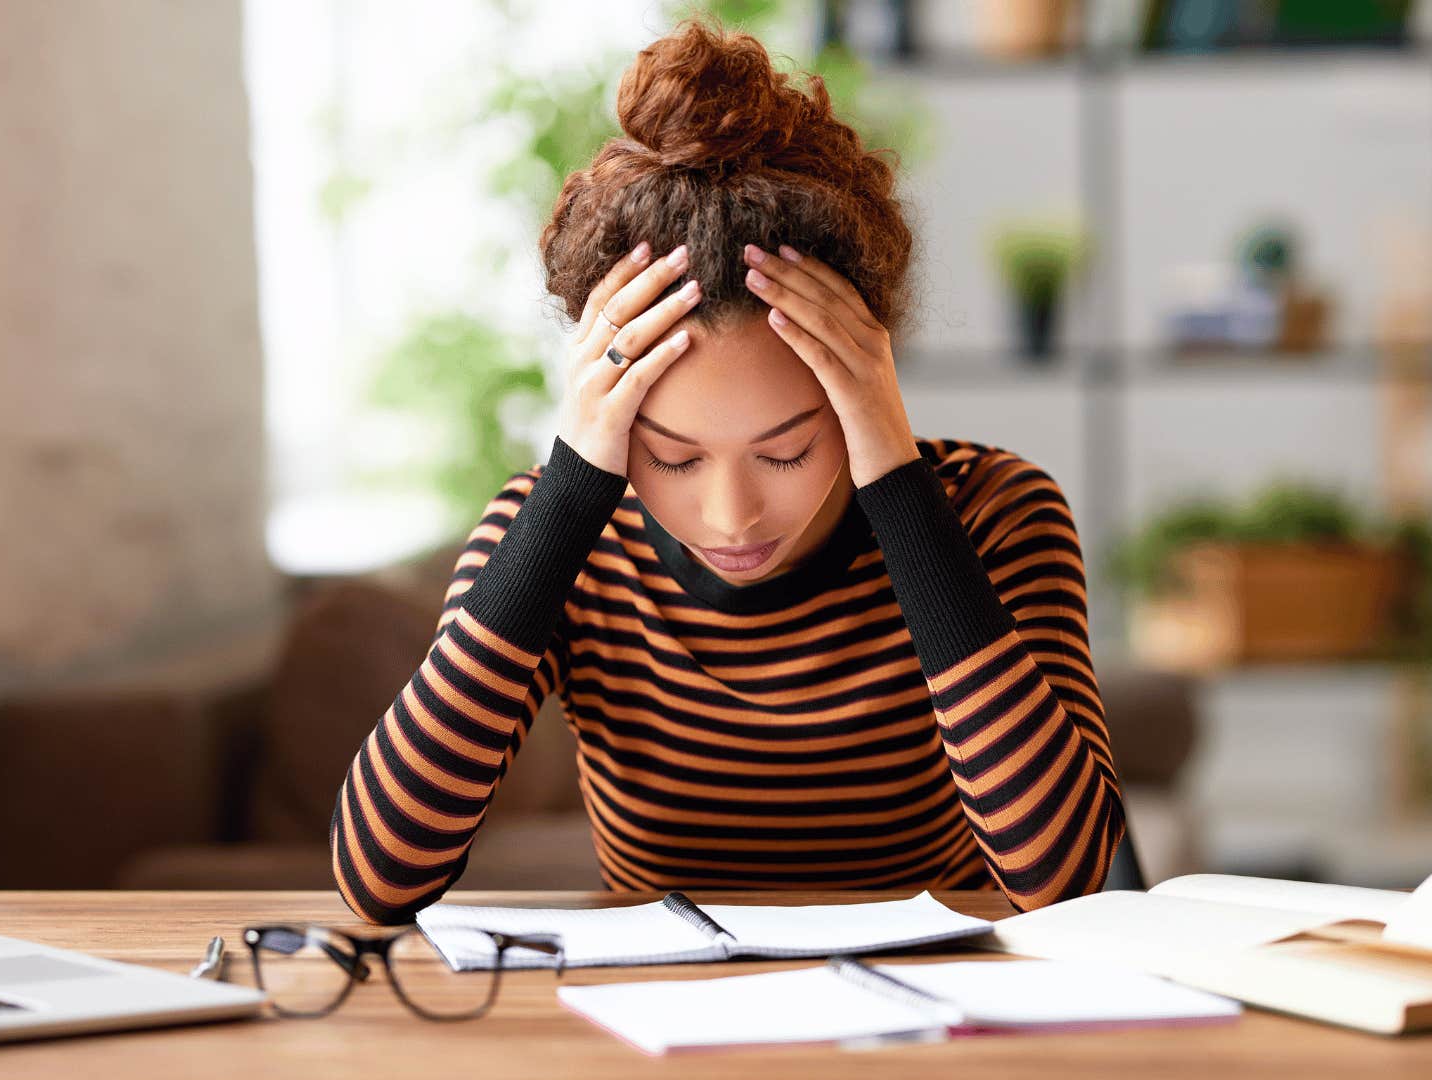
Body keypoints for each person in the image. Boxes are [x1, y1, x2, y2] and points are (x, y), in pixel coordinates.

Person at [331, 18, 1126, 925]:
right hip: (654, 1034)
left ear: (866, 384)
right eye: (672, 456)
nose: (733, 516)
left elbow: (1065, 884)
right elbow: (380, 877)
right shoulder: (555, 534)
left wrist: (896, 483)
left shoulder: (994, 514)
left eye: (787, 449)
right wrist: (569, 489)